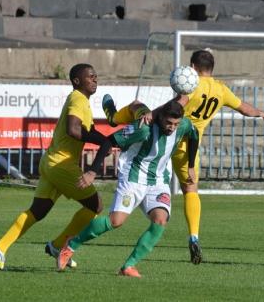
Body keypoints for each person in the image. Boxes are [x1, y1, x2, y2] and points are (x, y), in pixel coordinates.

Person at [102, 49, 264, 264]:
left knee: (136, 106)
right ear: (212, 68)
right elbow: (244, 108)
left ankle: (114, 118)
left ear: (192, 66)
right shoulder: (221, 90)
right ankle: (193, 235)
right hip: (191, 145)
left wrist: (151, 115)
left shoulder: (191, 84)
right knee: (190, 190)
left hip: (167, 139)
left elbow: (174, 107)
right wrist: (261, 113)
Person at [56, 101, 199, 277]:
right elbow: (109, 141)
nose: (172, 128)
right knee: (115, 221)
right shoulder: (143, 129)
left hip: (159, 181)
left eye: (176, 124)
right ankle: (71, 244)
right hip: (133, 178)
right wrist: (92, 172)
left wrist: (191, 165)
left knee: (160, 221)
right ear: (160, 117)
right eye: (168, 123)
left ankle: (128, 266)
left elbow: (194, 134)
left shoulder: (183, 125)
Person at [0, 63, 107, 270]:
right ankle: (59, 245)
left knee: (38, 211)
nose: (95, 79)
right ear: (77, 81)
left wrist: (105, 138)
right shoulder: (78, 98)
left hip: (51, 162)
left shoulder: (82, 101)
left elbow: (88, 130)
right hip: (62, 165)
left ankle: (0, 247)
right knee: (96, 207)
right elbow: (73, 129)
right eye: (90, 76)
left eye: (96, 76)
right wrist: (103, 142)